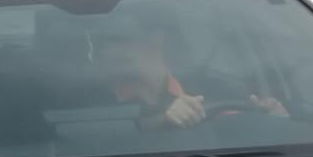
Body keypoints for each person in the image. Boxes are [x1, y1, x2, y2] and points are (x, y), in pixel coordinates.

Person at [98, 29, 285, 130]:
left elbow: (246, 137)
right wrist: (163, 121)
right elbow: (104, 143)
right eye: (107, 43)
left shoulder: (216, 89)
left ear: (156, 40)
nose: (115, 51)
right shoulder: (88, 104)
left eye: (123, 40)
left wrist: (276, 122)